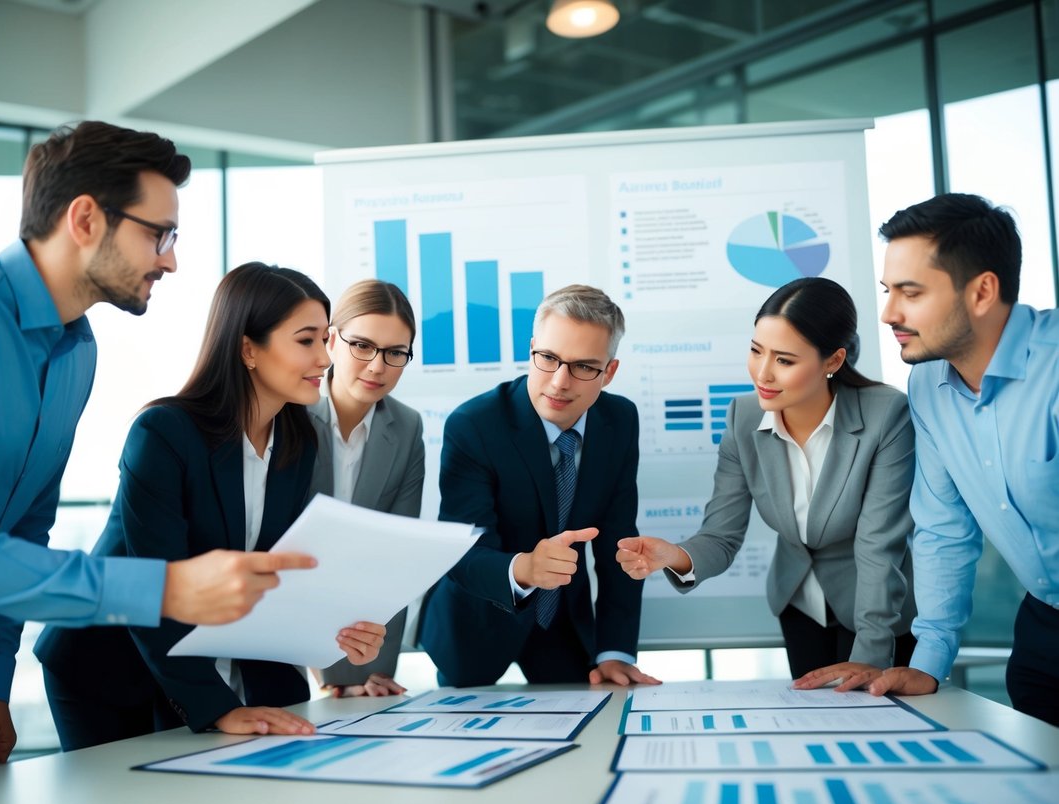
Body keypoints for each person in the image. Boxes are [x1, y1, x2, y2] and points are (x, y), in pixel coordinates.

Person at [0, 123, 312, 795]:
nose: (171, 260)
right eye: (160, 234)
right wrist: (166, 588)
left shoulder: (76, 350)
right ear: (87, 218)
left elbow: (24, 523)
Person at [36, 263, 386, 749]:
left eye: (326, 340)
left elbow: (270, 575)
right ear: (248, 349)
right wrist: (218, 707)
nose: (325, 359)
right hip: (115, 667)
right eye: (306, 340)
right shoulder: (163, 434)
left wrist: (335, 632)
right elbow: (151, 591)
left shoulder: (298, 440)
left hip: (220, 656)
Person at [801, 194, 1059, 726]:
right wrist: (928, 662)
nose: (889, 312)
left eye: (910, 293)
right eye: (888, 290)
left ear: (983, 291)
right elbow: (944, 529)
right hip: (1043, 627)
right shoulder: (928, 384)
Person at [615, 278, 916, 679]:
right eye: (756, 351)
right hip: (798, 604)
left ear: (833, 361)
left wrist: (870, 658)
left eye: (784, 360)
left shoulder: (886, 415)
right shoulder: (743, 418)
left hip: (880, 612)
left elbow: (879, 548)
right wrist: (673, 555)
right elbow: (721, 536)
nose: (763, 373)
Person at [420, 284, 657, 688]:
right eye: (548, 358)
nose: (560, 382)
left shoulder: (619, 421)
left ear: (609, 372)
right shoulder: (474, 425)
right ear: (532, 349)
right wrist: (524, 569)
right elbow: (462, 550)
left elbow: (620, 544)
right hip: (476, 621)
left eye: (583, 366)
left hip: (562, 626)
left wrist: (615, 650)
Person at [309, 279, 424, 698]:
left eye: (395, 353)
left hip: (358, 647)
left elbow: (395, 556)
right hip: (280, 637)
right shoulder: (288, 414)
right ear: (332, 341)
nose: (378, 366)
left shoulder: (407, 426)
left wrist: (372, 669)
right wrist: (315, 668)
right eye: (362, 346)